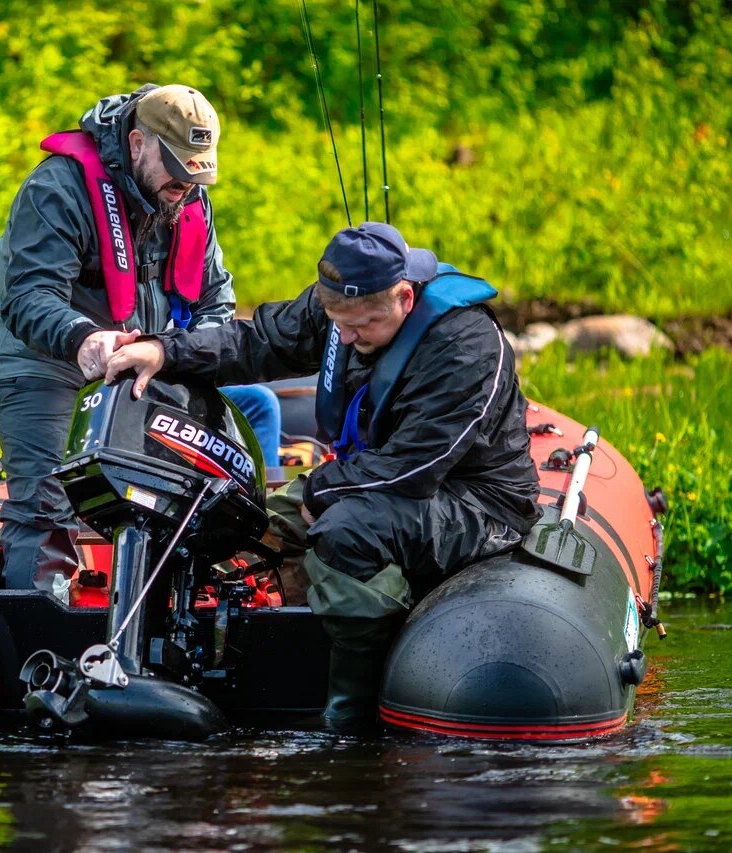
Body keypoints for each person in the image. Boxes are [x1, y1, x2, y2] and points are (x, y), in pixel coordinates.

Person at [102, 221, 541, 731]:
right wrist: (165, 350)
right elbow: (257, 341)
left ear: (404, 295)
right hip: (372, 477)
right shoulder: (340, 311)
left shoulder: (466, 345)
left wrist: (322, 490)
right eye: (339, 323)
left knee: (344, 531)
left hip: (476, 499)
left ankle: (349, 714)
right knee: (246, 520)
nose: (349, 338)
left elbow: (417, 465)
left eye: (365, 325)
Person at [0, 83, 274, 591]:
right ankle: (40, 650)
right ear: (137, 144)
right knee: (47, 502)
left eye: (197, 172)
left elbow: (215, 299)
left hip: (143, 350)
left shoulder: (186, 193)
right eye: (176, 169)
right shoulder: (57, 189)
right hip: (39, 354)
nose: (186, 185)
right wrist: (86, 339)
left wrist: (183, 354)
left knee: (185, 485)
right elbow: (27, 299)